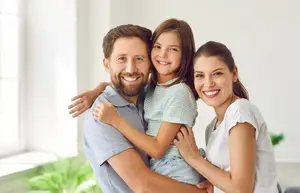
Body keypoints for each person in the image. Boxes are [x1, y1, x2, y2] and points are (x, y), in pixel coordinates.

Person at [79, 23, 209, 193]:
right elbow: (143, 185)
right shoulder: (102, 116)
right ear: (107, 64)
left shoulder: (147, 93)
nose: (131, 69)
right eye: (121, 59)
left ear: (149, 62)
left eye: (139, 58)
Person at [173, 41, 278, 193]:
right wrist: (215, 184)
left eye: (217, 73)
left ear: (234, 73)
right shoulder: (212, 127)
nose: (208, 83)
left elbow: (241, 189)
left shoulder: (240, 112)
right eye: (200, 75)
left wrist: (193, 157)